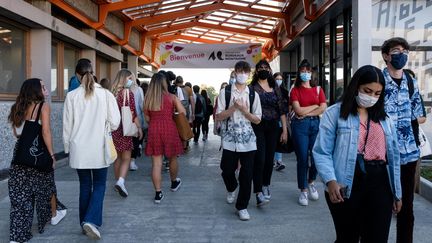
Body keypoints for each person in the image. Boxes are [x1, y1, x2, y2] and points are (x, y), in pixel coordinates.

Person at [313, 65, 402, 242]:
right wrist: (330, 182)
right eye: (367, 91)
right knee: (348, 237)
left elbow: (394, 159)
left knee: (377, 237)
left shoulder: (385, 119)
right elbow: (322, 152)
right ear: (356, 87)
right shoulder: (335, 114)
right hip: (345, 181)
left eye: (377, 94)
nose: (371, 97)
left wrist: (397, 193)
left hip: (379, 181)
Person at [63, 59, 120, 240]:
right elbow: (115, 122)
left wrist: (67, 147)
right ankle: (91, 220)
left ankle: (85, 222)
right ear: (92, 72)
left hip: (79, 149)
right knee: (100, 185)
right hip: (99, 147)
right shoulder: (105, 95)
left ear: (77, 75)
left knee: (85, 185)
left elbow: (67, 126)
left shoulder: (71, 96)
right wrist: (105, 127)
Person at [8, 78, 67, 242]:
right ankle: (54, 215)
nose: (46, 88)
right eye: (42, 86)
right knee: (48, 186)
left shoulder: (17, 107)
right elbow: (46, 132)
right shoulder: (43, 106)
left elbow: (17, 133)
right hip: (38, 155)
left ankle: (17, 236)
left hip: (20, 156)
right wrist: (52, 155)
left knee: (20, 195)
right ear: (36, 90)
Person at [381, 37, 423, 243]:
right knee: (379, 206)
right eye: (397, 50)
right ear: (386, 55)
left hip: (408, 154)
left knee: (406, 207)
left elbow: (419, 115)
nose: (402, 54)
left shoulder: (411, 81)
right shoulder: (377, 81)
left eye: (405, 50)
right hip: (382, 153)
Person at [216, 61, 262, 221]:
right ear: (234, 72)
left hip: (248, 140)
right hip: (229, 139)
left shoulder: (253, 94)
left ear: (249, 74)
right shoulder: (225, 92)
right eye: (239, 71)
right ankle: (231, 187)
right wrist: (234, 108)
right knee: (226, 169)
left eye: (245, 72)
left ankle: (242, 206)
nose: (242, 74)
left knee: (247, 174)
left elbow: (257, 119)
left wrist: (243, 110)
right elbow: (219, 116)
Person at [250, 60, 288, 205]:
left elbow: (282, 111)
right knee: (260, 158)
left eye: (266, 68)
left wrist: (284, 130)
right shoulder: (252, 88)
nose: (264, 70)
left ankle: (266, 185)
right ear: (257, 71)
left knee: (269, 158)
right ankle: (258, 192)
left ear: (270, 70)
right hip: (257, 125)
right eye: (261, 68)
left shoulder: (275, 88)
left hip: (273, 126)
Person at [290, 59, 327, 206]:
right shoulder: (295, 90)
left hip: (315, 125)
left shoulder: (318, 89)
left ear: (312, 73)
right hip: (299, 126)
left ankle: (311, 181)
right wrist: (314, 106)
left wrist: (306, 113)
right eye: (303, 71)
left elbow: (323, 107)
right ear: (299, 73)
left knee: (317, 157)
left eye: (308, 71)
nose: (306, 74)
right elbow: (297, 110)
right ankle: (303, 190)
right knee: (303, 159)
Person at [144, 73, 184, 203]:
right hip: (169, 128)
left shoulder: (148, 99)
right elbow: (183, 112)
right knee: (173, 157)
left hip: (154, 129)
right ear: (164, 84)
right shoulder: (172, 97)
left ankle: (158, 193)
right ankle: (174, 183)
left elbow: (147, 119)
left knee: (156, 164)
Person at [111, 69, 143, 197]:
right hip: (125, 128)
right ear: (125, 79)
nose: (132, 81)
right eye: (130, 78)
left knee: (117, 157)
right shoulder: (127, 93)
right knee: (126, 158)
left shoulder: (112, 93)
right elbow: (132, 113)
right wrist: (139, 128)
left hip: (114, 128)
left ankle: (117, 181)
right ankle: (121, 181)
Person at [175, 76, 194, 151]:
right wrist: (193, 113)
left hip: (176, 111)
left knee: (176, 128)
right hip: (185, 112)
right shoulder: (188, 89)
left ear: (176, 81)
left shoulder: (174, 88)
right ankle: (185, 146)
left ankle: (178, 145)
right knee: (185, 127)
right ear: (183, 81)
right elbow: (192, 101)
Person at [273, 72, 287, 171]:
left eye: (280, 79)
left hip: (281, 119)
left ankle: (278, 160)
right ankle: (273, 160)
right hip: (272, 119)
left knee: (279, 139)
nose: (278, 81)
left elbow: (287, 105)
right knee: (272, 140)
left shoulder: (284, 91)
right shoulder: (270, 90)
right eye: (277, 79)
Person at [130, 79, 145, 171]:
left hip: (122, 120)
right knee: (135, 140)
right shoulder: (138, 89)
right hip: (136, 118)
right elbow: (141, 105)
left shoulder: (118, 89)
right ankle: (132, 161)